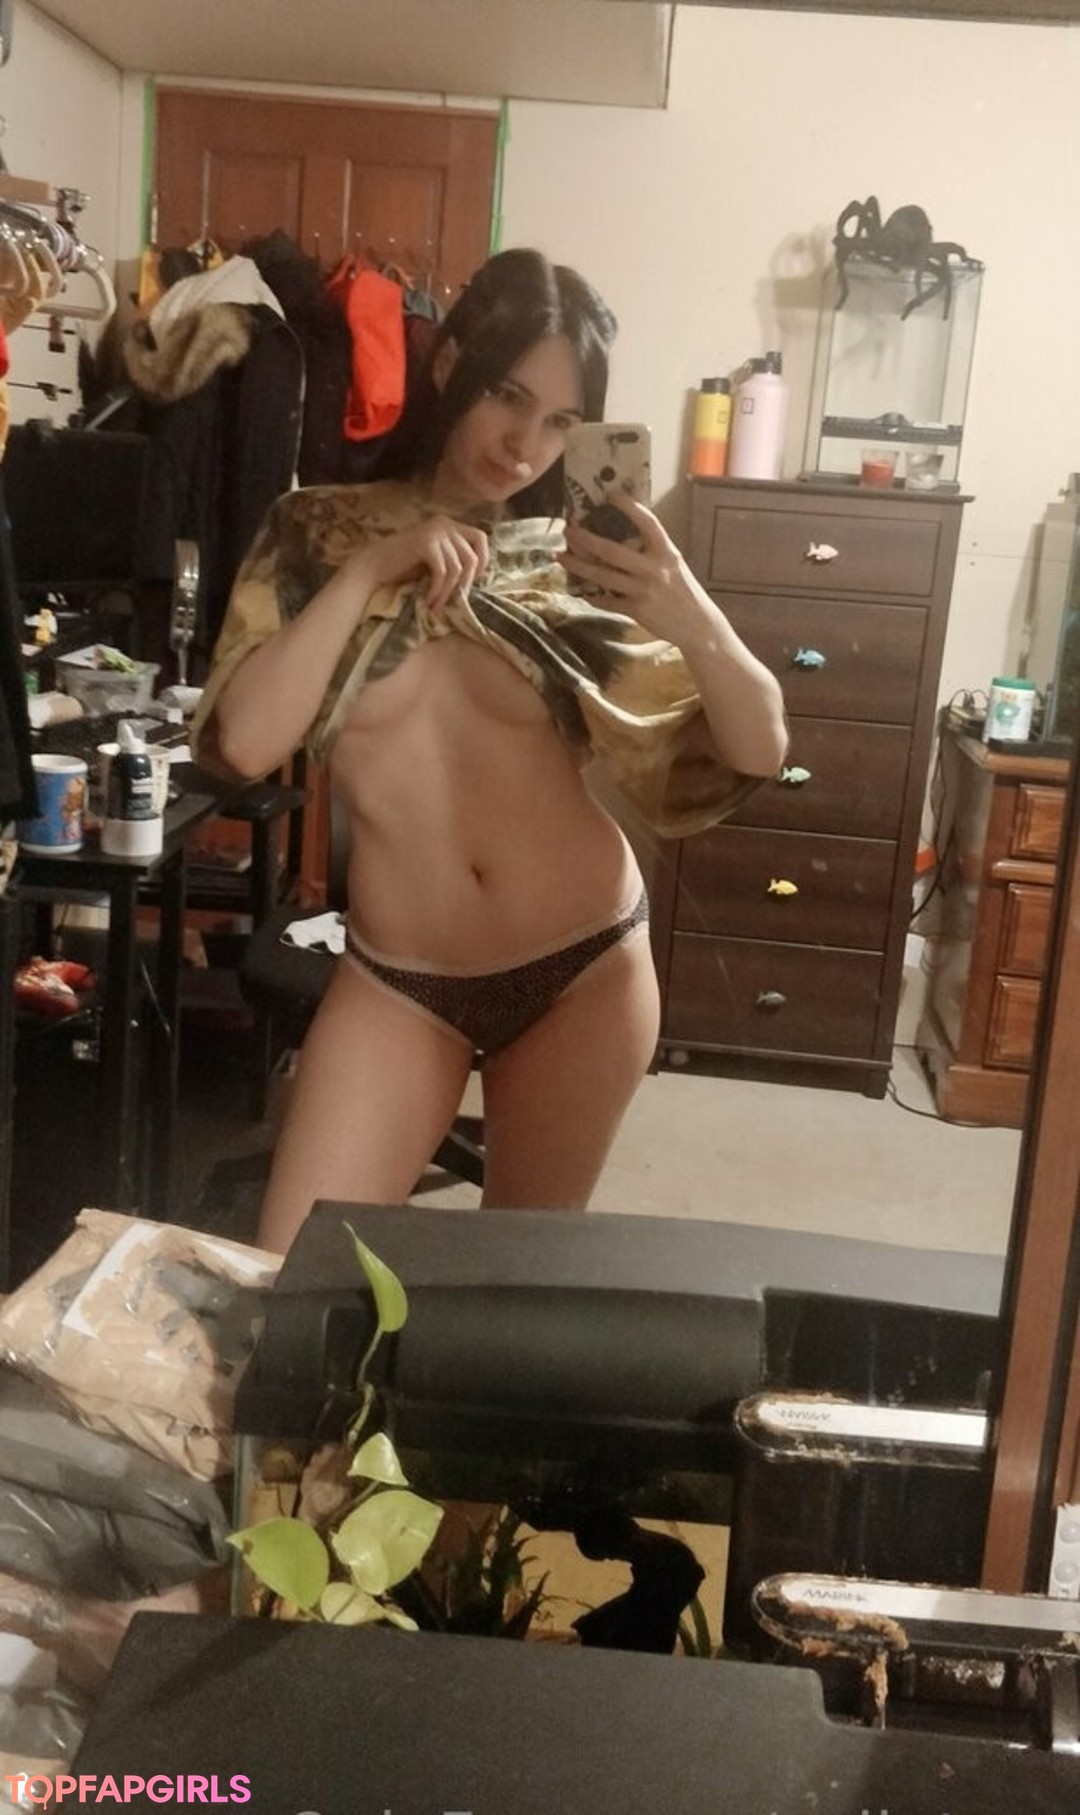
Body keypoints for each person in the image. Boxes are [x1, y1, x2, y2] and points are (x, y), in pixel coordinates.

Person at [191, 248, 788, 1254]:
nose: (524, 445)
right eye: (508, 396)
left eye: (559, 421)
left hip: (581, 969)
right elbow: (243, 745)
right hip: (400, 979)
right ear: (448, 363)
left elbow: (760, 744)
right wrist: (372, 570)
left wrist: (692, 615)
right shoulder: (316, 533)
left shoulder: (574, 566)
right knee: (294, 1279)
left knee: (511, 1289)